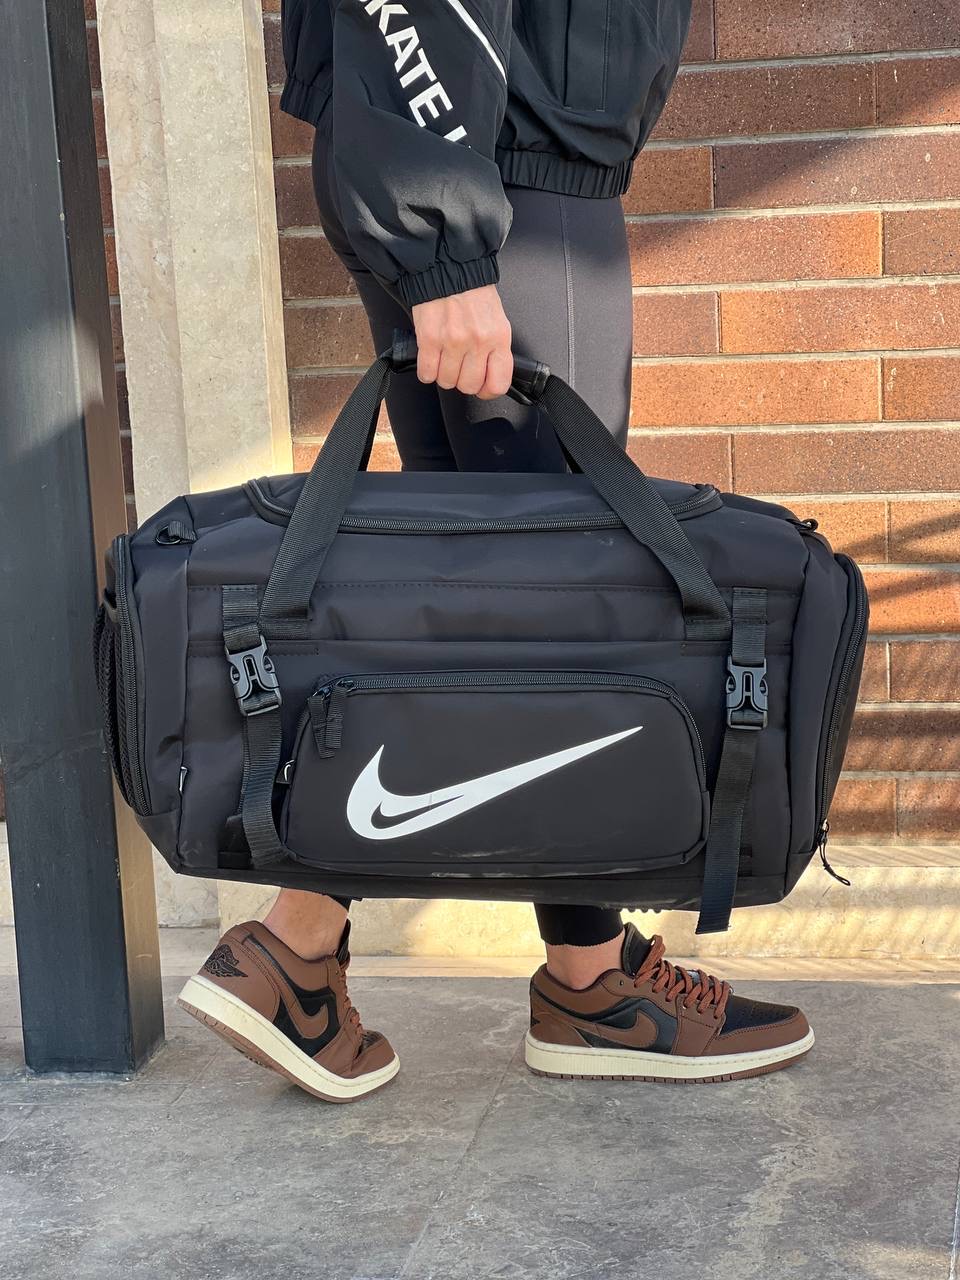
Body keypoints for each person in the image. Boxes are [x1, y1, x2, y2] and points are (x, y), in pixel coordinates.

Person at [178, 0, 812, 1100]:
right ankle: (566, 984)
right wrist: (448, 250)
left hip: (475, 159)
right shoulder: (480, 209)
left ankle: (318, 952)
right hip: (503, 173)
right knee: (566, 610)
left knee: (488, 612)